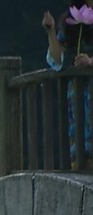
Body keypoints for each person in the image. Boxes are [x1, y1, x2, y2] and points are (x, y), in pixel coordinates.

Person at [43, 5, 93, 165]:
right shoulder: (69, 20)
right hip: (79, 95)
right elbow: (57, 60)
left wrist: (91, 61)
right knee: (79, 155)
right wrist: (50, 31)